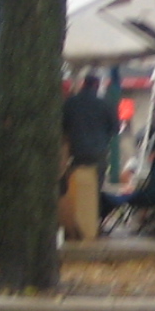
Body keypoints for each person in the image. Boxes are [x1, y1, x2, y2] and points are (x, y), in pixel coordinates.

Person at [59, 72, 119, 242]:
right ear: (97, 86)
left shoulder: (70, 103)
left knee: (76, 191)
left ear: (83, 84)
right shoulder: (105, 103)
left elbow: (63, 127)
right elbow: (115, 129)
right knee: (95, 190)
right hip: (98, 153)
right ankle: (92, 226)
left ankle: (76, 226)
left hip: (77, 153)